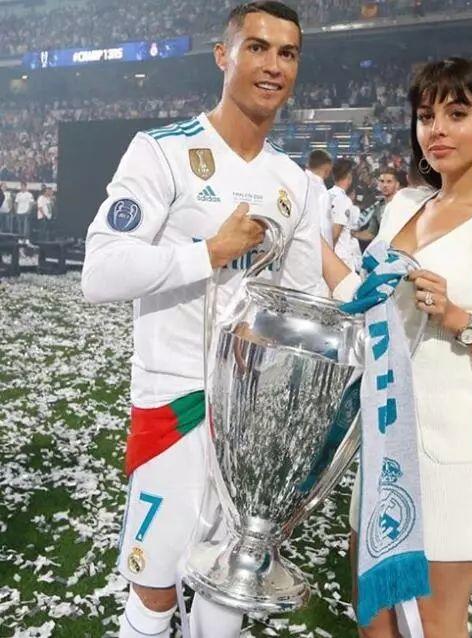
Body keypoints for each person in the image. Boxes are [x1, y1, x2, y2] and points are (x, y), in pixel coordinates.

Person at [81, 4, 346, 637]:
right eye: (257, 47)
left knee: (230, 586)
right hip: (174, 401)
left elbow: (304, 295)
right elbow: (100, 272)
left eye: (287, 53)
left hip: (252, 415)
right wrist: (209, 252)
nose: (273, 65)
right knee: (154, 589)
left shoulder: (295, 183)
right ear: (223, 55)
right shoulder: (163, 152)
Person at [340, 57, 472, 638]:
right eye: (425, 115)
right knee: (373, 617)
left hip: (458, 455)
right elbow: (362, 296)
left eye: (456, 114)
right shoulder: (403, 206)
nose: (436, 129)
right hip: (385, 442)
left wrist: (460, 319)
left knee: (434, 624)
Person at [354, 166, 401, 246]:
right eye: (382, 181)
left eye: (389, 182)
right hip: (385, 250)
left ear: (397, 184)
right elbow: (371, 233)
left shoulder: (404, 204)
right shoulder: (378, 207)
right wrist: (352, 233)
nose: (385, 185)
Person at [329, 158, 361, 271]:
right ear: (349, 176)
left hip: (328, 254)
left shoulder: (325, 195)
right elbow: (335, 232)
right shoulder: (343, 200)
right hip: (340, 258)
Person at [305, 149, 333, 246]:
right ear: (327, 167)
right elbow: (323, 226)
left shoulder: (298, 181)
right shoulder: (320, 190)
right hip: (314, 246)